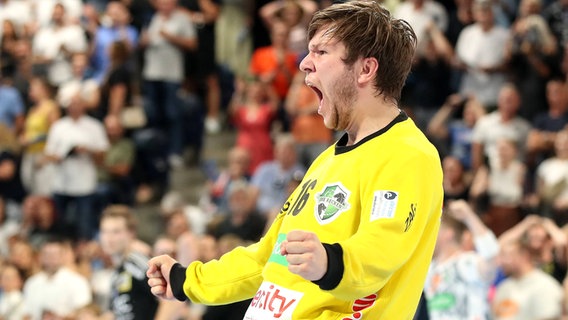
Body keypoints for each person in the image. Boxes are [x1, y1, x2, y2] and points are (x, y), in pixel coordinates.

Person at [147, 1, 444, 319]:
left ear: (366, 69)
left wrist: (328, 263)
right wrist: (186, 280)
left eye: (321, 52)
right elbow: (268, 257)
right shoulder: (327, 160)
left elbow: (382, 249)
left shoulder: (407, 155)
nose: (304, 63)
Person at [99, 205, 159, 320]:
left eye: (116, 232)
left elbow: (172, 302)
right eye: (104, 231)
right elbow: (116, 313)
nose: (109, 238)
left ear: (131, 233)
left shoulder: (137, 262)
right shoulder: (118, 271)